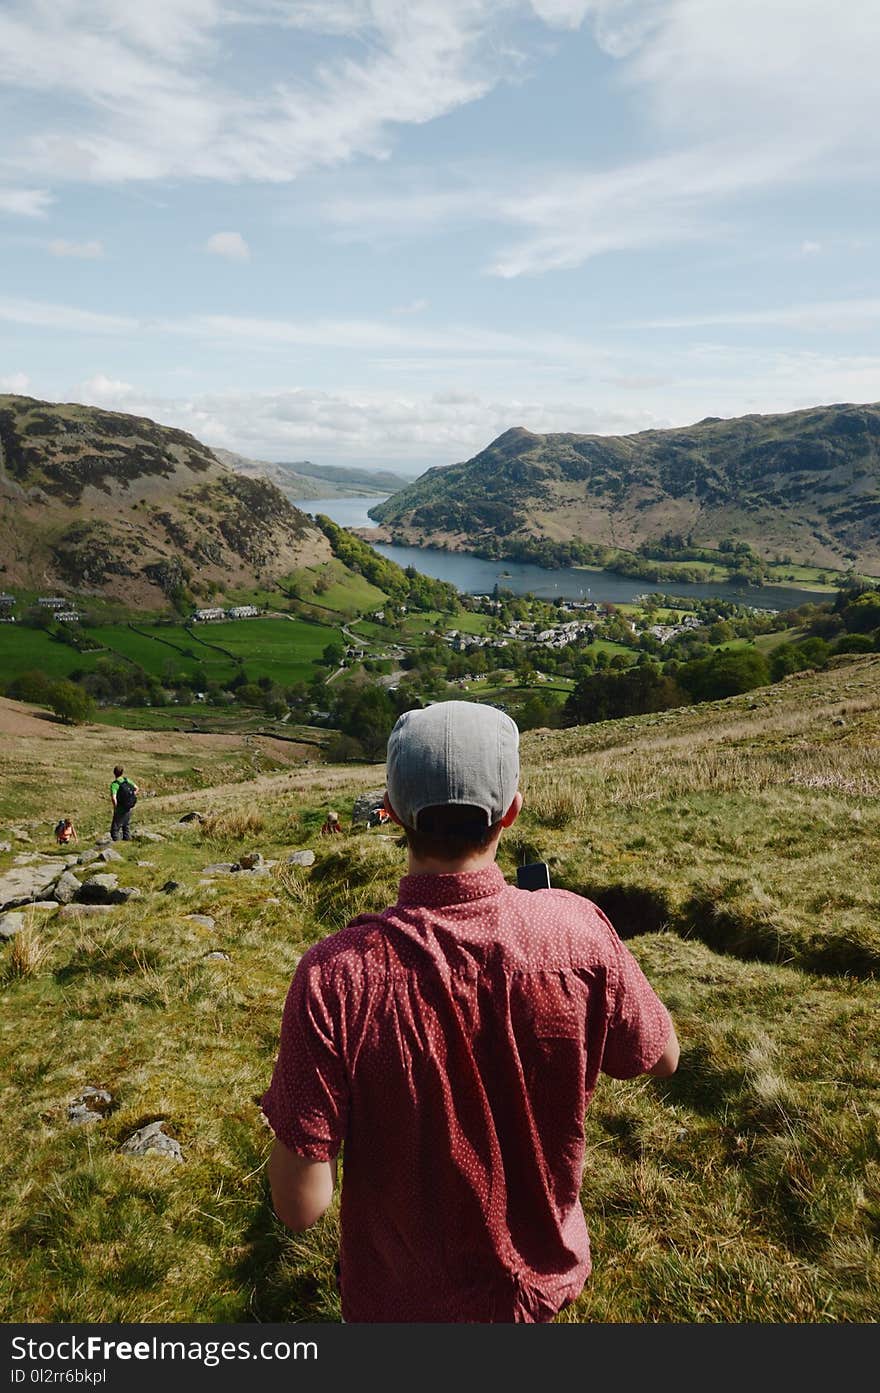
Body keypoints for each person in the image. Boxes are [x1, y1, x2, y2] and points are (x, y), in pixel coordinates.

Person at [263, 701, 679, 1324]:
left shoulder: (334, 975)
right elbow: (661, 1055)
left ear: (396, 813)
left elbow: (301, 1207)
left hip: (400, 1305)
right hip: (539, 1292)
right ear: (510, 810)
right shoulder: (579, 932)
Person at [109, 765, 139, 842]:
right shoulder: (126, 780)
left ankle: (117, 845)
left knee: (115, 830)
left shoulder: (114, 784)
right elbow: (137, 788)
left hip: (120, 808)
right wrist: (131, 797)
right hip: (129, 807)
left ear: (114, 773)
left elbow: (113, 798)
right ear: (122, 772)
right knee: (126, 826)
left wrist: (115, 807)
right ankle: (127, 841)